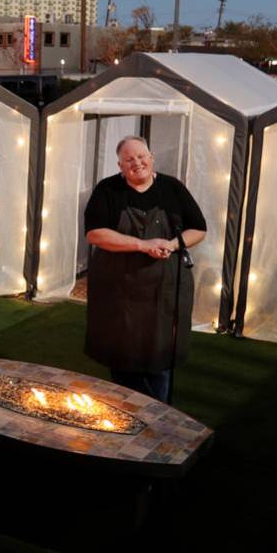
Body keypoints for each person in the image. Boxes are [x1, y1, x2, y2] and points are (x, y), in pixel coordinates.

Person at [83, 135, 206, 403]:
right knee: (122, 352)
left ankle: (157, 411)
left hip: (165, 287)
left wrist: (172, 244)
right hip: (119, 288)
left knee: (160, 352)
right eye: (129, 160)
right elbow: (95, 234)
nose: (136, 163)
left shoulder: (173, 188)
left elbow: (199, 229)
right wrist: (142, 244)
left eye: (141, 157)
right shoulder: (107, 190)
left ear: (151, 158)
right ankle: (131, 408)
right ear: (120, 165)